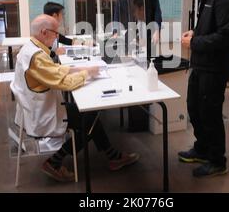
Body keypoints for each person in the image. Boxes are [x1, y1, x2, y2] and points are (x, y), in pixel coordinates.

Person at [10, 14, 139, 182]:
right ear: (43, 32)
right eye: (55, 32)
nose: (57, 36)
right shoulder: (37, 57)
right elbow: (65, 83)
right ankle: (54, 162)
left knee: (90, 116)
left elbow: (54, 71)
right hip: (43, 114)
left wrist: (77, 69)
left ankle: (113, 156)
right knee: (90, 119)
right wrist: (88, 73)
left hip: (35, 109)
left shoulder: (30, 49)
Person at [179, 0, 229, 177]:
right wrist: (197, 32)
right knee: (194, 107)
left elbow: (225, 37)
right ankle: (202, 148)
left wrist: (194, 41)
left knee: (210, 113)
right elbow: (213, 29)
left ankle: (217, 160)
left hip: (214, 67)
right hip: (201, 64)